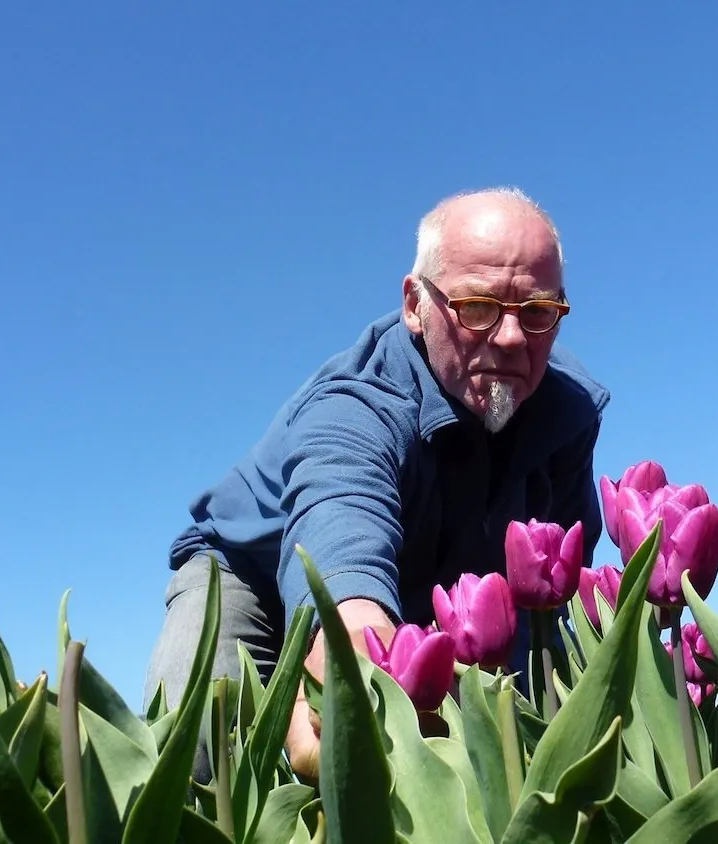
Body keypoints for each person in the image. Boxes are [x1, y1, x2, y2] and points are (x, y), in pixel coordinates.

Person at [142, 186, 611, 783]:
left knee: (510, 748)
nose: (513, 337)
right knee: (197, 756)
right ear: (415, 304)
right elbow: (339, 527)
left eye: (538, 311)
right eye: (476, 306)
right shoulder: (356, 407)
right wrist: (352, 651)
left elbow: (566, 578)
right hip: (254, 580)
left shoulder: (566, 414)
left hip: (435, 596)